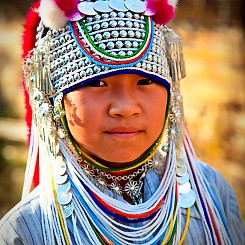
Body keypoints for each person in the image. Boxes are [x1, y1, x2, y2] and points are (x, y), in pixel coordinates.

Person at [0, 0, 244, 244]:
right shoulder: (25, 229)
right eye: (97, 83)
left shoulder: (212, 194)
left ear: (172, 95)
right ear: (53, 100)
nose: (125, 108)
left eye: (145, 82)